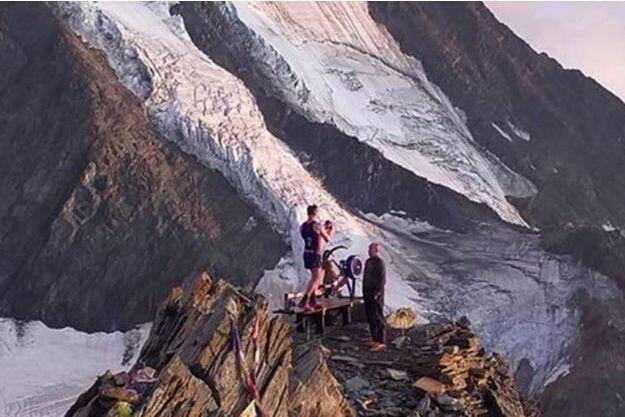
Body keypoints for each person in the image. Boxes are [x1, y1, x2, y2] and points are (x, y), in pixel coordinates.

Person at [299, 204, 333, 311]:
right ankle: (304, 301)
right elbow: (327, 239)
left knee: (314, 277)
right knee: (316, 278)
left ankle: (313, 302)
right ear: (315, 213)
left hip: (307, 253)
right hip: (315, 254)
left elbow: (310, 238)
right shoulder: (317, 225)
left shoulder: (302, 226)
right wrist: (330, 231)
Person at [363, 243, 386, 351]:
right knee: (370, 316)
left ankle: (380, 340)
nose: (368, 251)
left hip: (376, 293)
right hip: (367, 292)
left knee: (377, 315)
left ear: (376, 250)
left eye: (370, 249)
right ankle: (374, 338)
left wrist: (377, 293)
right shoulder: (368, 261)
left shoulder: (379, 262)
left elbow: (382, 279)